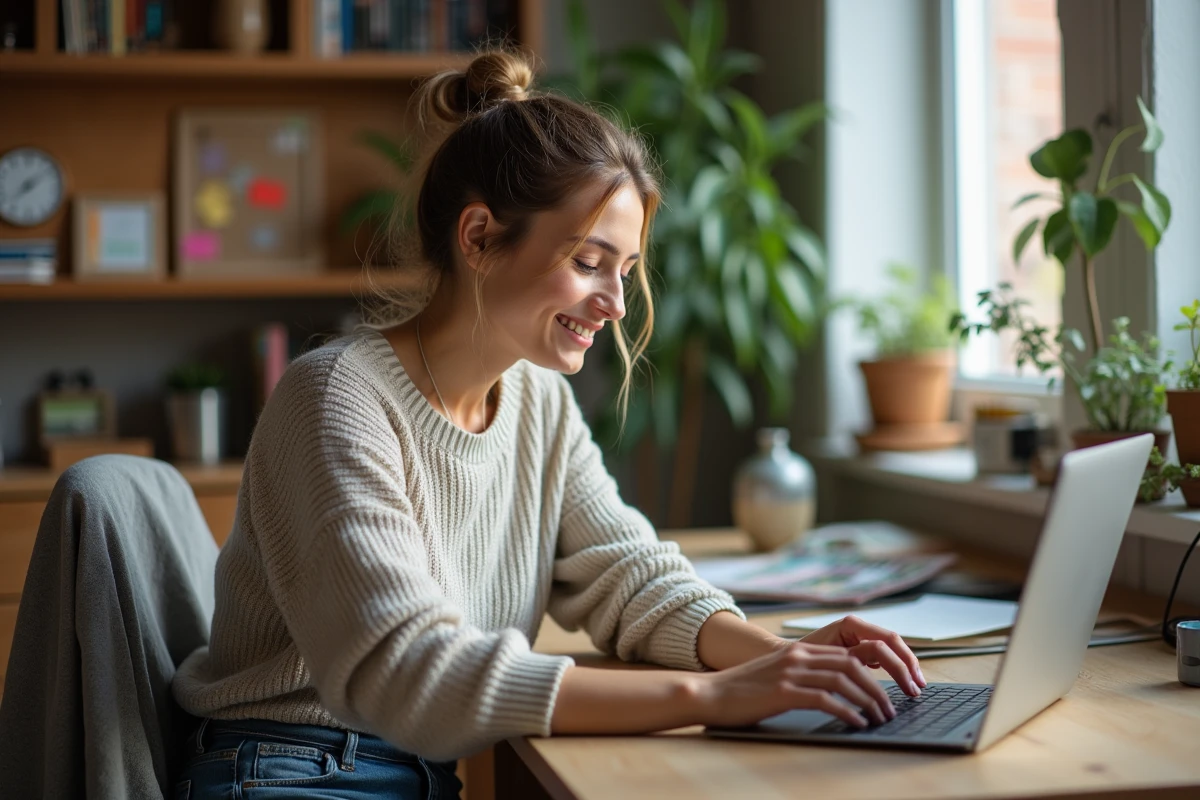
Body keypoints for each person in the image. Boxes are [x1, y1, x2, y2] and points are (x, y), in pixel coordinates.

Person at [170, 49, 926, 799]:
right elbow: (411, 674)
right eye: (590, 261)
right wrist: (712, 698)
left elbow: (626, 575)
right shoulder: (335, 400)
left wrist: (774, 658)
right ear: (478, 238)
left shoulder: (536, 399)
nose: (616, 304)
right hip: (289, 767)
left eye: (624, 271)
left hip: (415, 770)